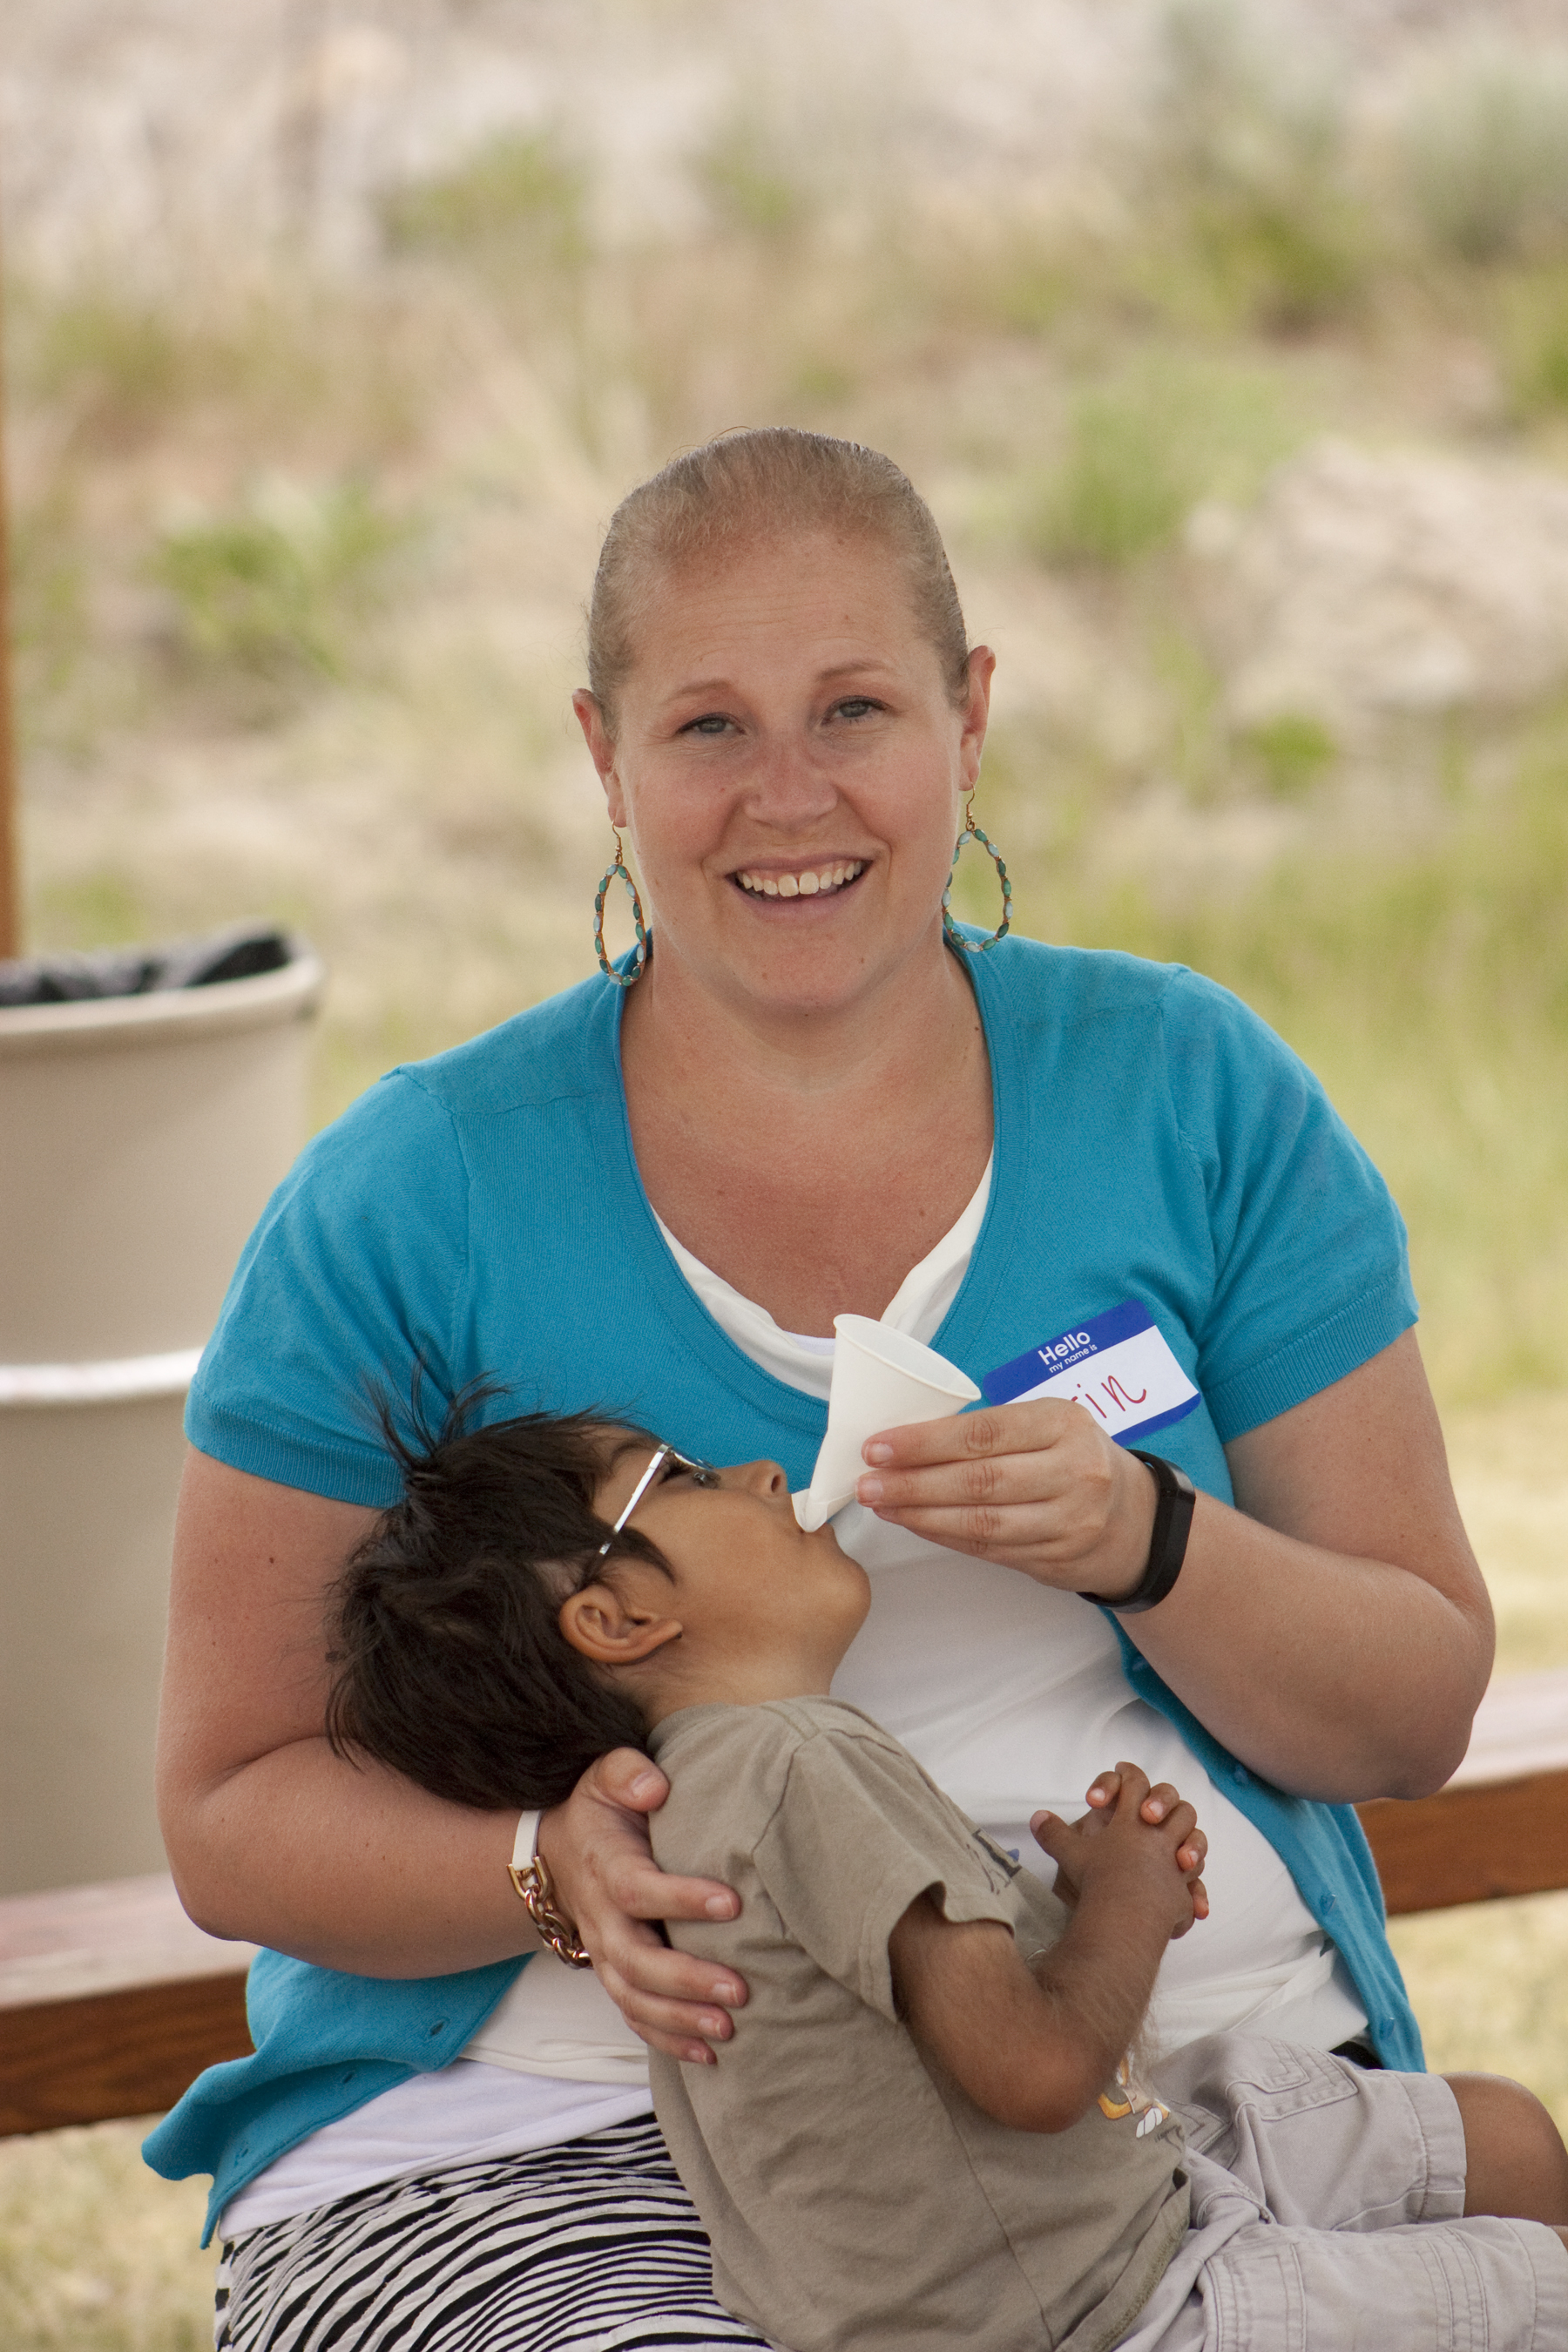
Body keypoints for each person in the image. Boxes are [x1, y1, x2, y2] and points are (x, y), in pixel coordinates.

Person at [147, 428, 1497, 2350]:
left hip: (1172, 2090)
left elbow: (1416, 1708)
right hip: (556, 2129)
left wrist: (1152, 1539)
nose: (789, 796)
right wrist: (545, 1873)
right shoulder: (412, 1194)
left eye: (854, 706)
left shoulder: (1192, 1093)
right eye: (707, 727)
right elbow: (230, 1809)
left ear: (969, 716)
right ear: (604, 756)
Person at [318, 1398, 1568, 2351]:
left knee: (1497, 2137)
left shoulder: (723, 1789)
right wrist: (1130, 1897)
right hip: (1102, 2303)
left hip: (1091, 2214)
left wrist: (1065, 1909)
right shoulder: (800, 1766)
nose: (758, 1473)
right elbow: (1030, 2071)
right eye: (680, 1479)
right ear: (617, 1620)